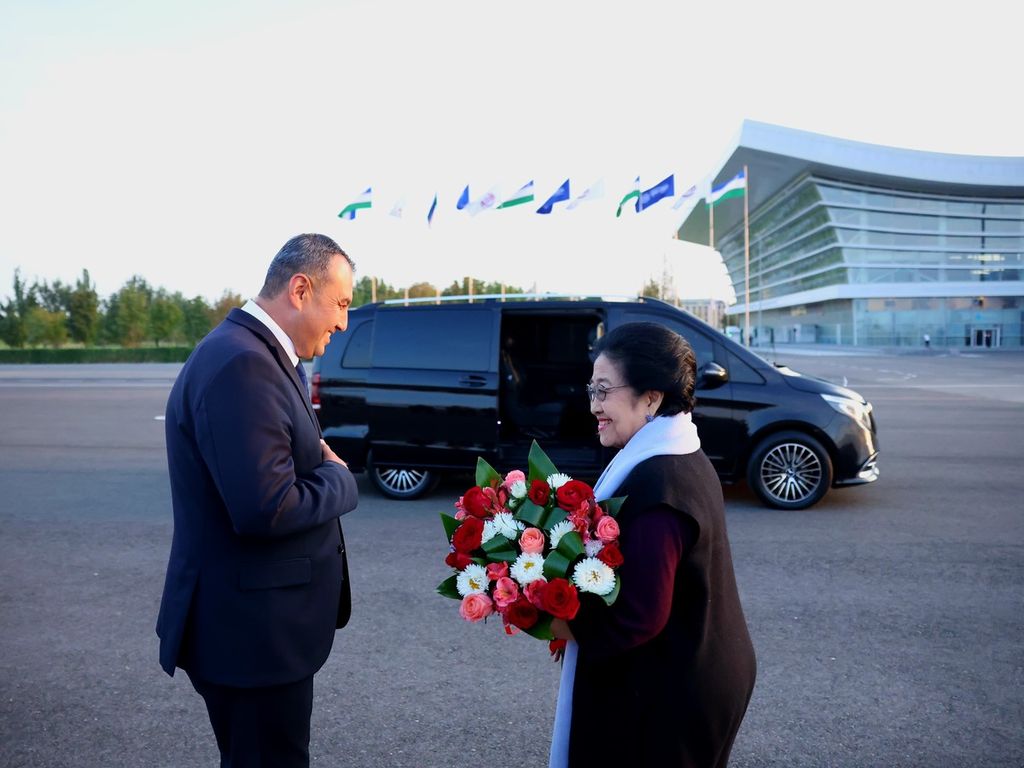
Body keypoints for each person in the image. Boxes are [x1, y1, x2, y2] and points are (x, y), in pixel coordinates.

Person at [156, 233, 359, 767]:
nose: (342, 322)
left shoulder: (261, 354)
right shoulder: (241, 364)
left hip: (257, 629)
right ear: (299, 289)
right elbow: (266, 508)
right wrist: (341, 479)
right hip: (251, 637)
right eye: (340, 304)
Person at [549, 321, 756, 768]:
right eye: (591, 390)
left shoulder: (659, 482)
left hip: (677, 692)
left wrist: (554, 621)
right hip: (697, 660)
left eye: (604, 391)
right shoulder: (675, 452)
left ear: (651, 398)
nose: (593, 407)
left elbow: (639, 616)